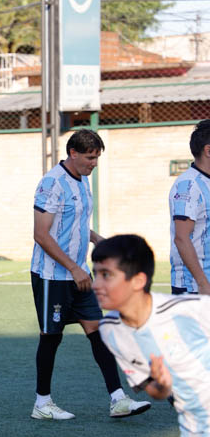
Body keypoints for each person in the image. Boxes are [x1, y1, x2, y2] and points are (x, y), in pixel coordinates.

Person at [30, 129, 150, 420]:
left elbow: (78, 223)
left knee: (99, 333)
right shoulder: (52, 183)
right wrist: (73, 267)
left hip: (79, 275)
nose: (94, 163)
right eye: (90, 157)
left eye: (96, 157)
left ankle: (118, 399)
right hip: (52, 277)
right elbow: (41, 235)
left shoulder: (83, 182)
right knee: (51, 337)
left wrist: (98, 240)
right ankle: (42, 403)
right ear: (73, 153)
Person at [93, 234, 210, 437]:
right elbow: (153, 390)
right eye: (95, 273)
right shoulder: (110, 330)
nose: (96, 283)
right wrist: (162, 386)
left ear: (138, 280)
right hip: (192, 428)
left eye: (107, 275)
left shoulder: (189, 310)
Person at [170, 120, 210, 296]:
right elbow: (181, 237)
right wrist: (203, 283)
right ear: (208, 151)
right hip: (194, 287)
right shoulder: (188, 186)